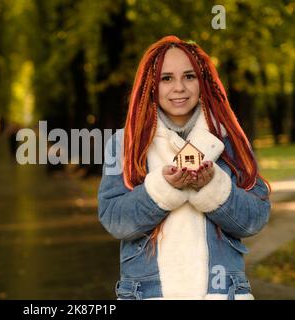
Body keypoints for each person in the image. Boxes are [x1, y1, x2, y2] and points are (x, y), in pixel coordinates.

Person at [97, 35, 271, 300]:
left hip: (221, 293)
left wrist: (212, 188)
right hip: (149, 294)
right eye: (166, 78)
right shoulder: (124, 143)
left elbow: (255, 218)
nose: (179, 87)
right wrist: (163, 190)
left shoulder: (229, 138)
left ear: (202, 81)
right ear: (151, 85)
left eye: (189, 76)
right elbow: (115, 220)